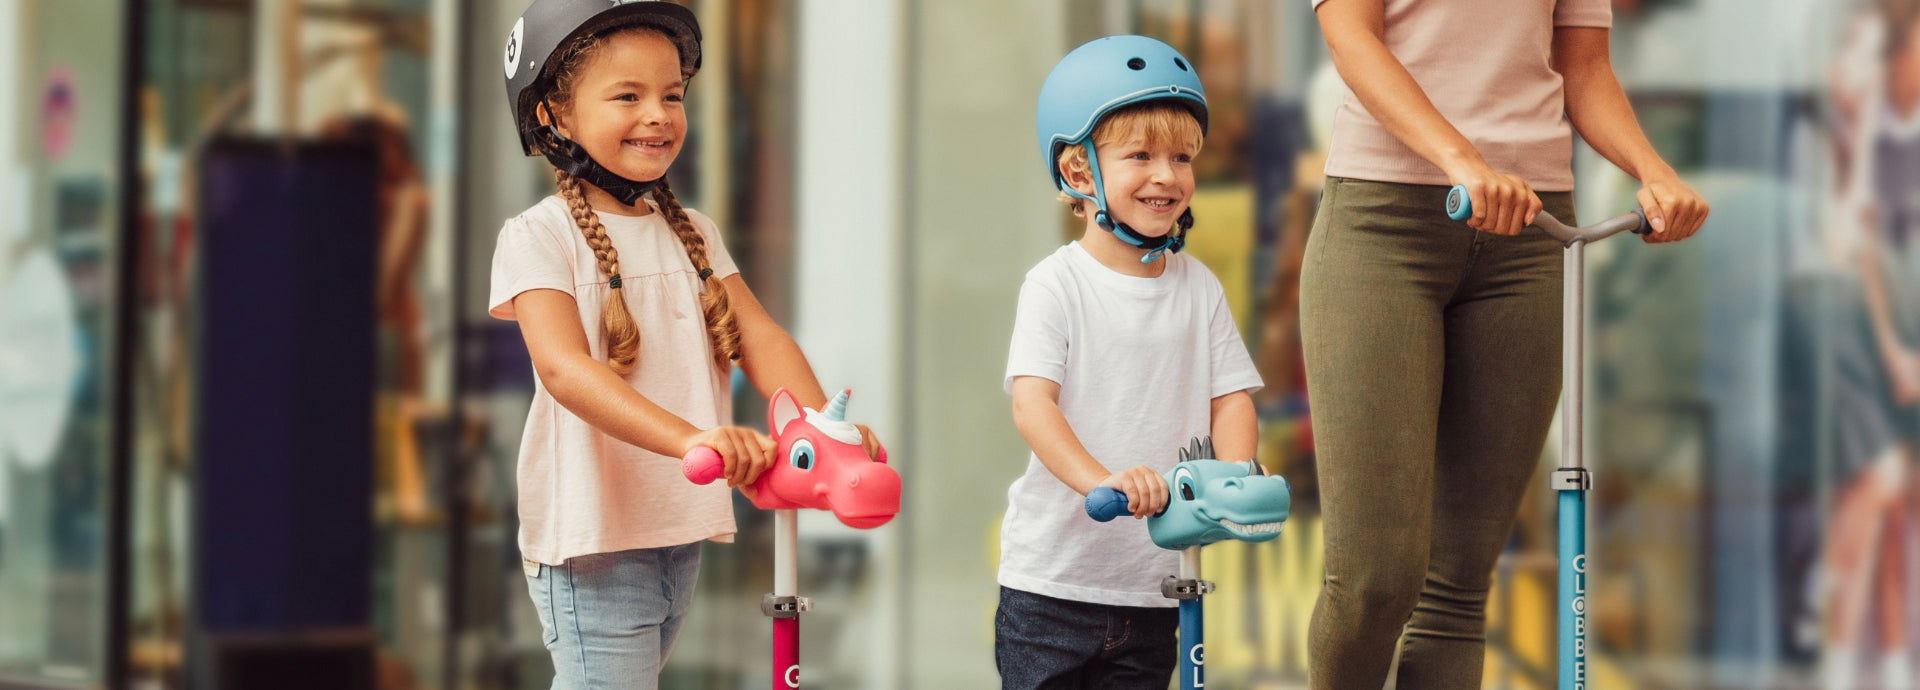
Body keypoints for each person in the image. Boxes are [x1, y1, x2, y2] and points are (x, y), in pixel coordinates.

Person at [1303, 0, 1711, 686]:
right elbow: (1352, 39)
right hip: (1384, 223)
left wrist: (1653, 169)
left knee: (1457, 586)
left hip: (1531, 235)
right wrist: (1463, 159)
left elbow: (1584, 68)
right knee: (1375, 581)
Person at [488, 2, 879, 686]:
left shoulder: (692, 230)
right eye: (627, 96)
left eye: (672, 95)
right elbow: (565, 369)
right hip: (595, 537)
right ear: (554, 115)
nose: (658, 114)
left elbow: (760, 338)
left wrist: (825, 430)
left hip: (672, 527)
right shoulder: (539, 236)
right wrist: (693, 441)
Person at [997, 35, 1265, 690]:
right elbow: (1034, 404)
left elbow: (1230, 397)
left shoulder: (1198, 286)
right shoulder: (1056, 285)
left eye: (1181, 156)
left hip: (1154, 590)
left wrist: (1235, 476)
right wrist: (1100, 482)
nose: (1167, 175)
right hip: (1051, 590)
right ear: (1080, 171)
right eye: (1140, 155)